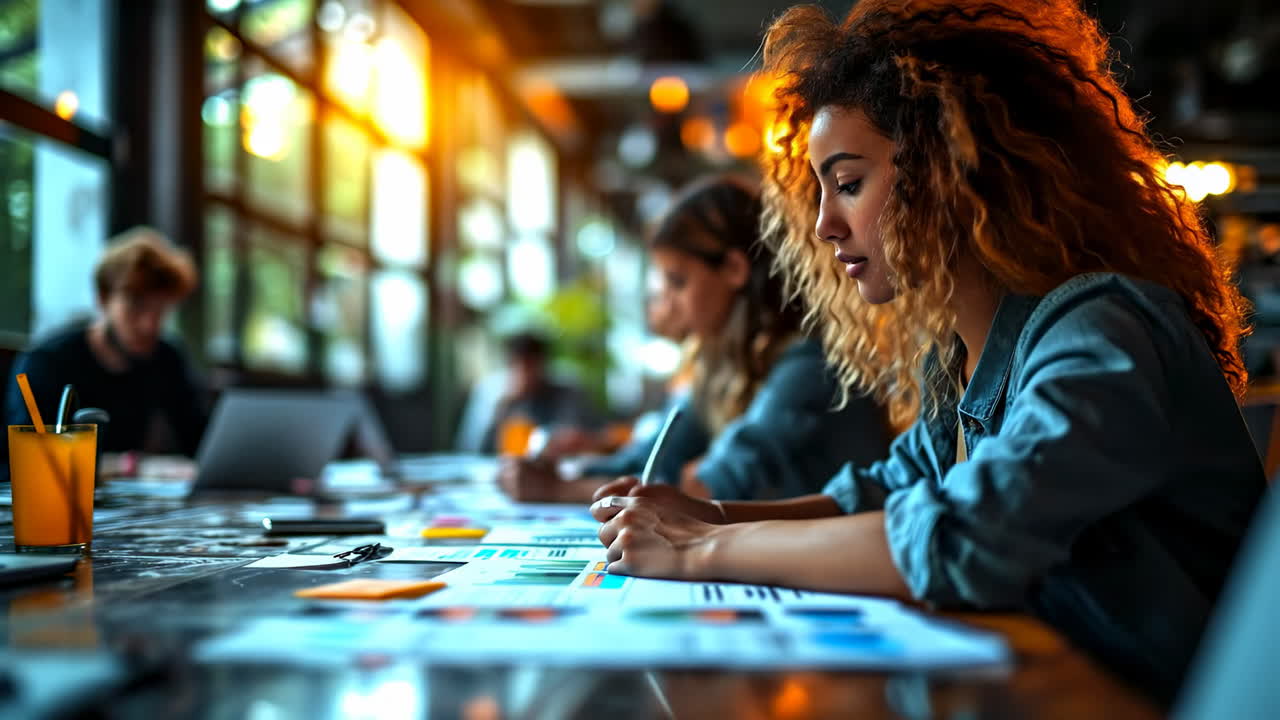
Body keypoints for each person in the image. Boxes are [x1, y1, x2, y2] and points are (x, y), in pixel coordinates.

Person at [589, 0, 1266, 706]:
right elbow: (883, 492)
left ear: (954, 170)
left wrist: (700, 549)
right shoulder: (962, 359)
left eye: (849, 183)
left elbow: (965, 533)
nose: (823, 224)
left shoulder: (1102, 326)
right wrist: (710, 515)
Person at [501, 175, 891, 503]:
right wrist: (561, 471)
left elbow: (715, 485)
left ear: (735, 269)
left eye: (678, 281)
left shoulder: (810, 363)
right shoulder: (722, 365)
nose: (667, 303)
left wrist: (560, 489)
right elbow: (657, 459)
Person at [3, 227, 206, 459]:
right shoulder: (47, 362)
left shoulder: (166, 358)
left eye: (160, 310)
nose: (149, 324)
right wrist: (128, 466)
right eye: (136, 306)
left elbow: (199, 441)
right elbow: (25, 460)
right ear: (103, 297)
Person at [454, 331, 597, 454]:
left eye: (531, 365)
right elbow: (470, 447)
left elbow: (586, 438)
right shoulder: (490, 393)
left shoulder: (566, 393)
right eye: (517, 365)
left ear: (544, 365)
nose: (525, 374)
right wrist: (503, 407)